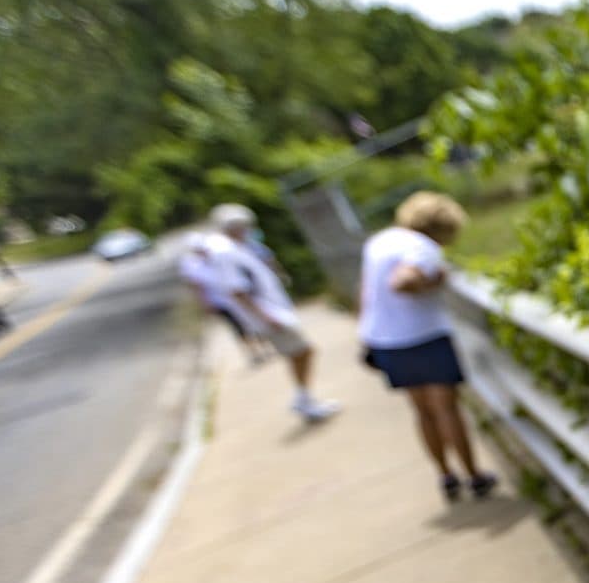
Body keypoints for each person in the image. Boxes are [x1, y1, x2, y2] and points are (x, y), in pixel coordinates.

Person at [358, 191, 496, 501]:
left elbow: (370, 290)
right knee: (446, 408)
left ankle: (446, 475)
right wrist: (434, 282)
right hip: (422, 335)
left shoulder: (381, 241)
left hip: (385, 338)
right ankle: (474, 475)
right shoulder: (424, 248)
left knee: (422, 411)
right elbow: (402, 282)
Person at [207, 204, 340, 422]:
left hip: (273, 311)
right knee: (303, 350)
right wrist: (265, 316)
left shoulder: (240, 249)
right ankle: (303, 399)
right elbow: (237, 290)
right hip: (270, 315)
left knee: (300, 351)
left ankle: (304, 397)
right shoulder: (227, 255)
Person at [177, 239, 271, 364]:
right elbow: (198, 288)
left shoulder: (220, 258)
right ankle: (254, 353)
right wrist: (206, 304)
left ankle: (265, 347)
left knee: (252, 322)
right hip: (221, 302)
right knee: (238, 327)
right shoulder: (194, 266)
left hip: (238, 298)